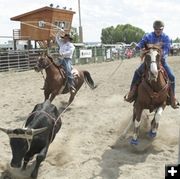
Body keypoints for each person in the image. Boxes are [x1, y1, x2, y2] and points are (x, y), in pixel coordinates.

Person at [124, 20, 179, 109]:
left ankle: (172, 98)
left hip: (161, 61)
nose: (158, 30)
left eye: (160, 29)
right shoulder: (148, 36)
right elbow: (141, 43)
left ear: (162, 29)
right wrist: (137, 47)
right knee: (137, 73)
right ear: (153, 28)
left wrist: (160, 55)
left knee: (172, 76)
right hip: (149, 61)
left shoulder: (166, 38)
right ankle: (131, 93)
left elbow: (167, 49)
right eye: (156, 29)